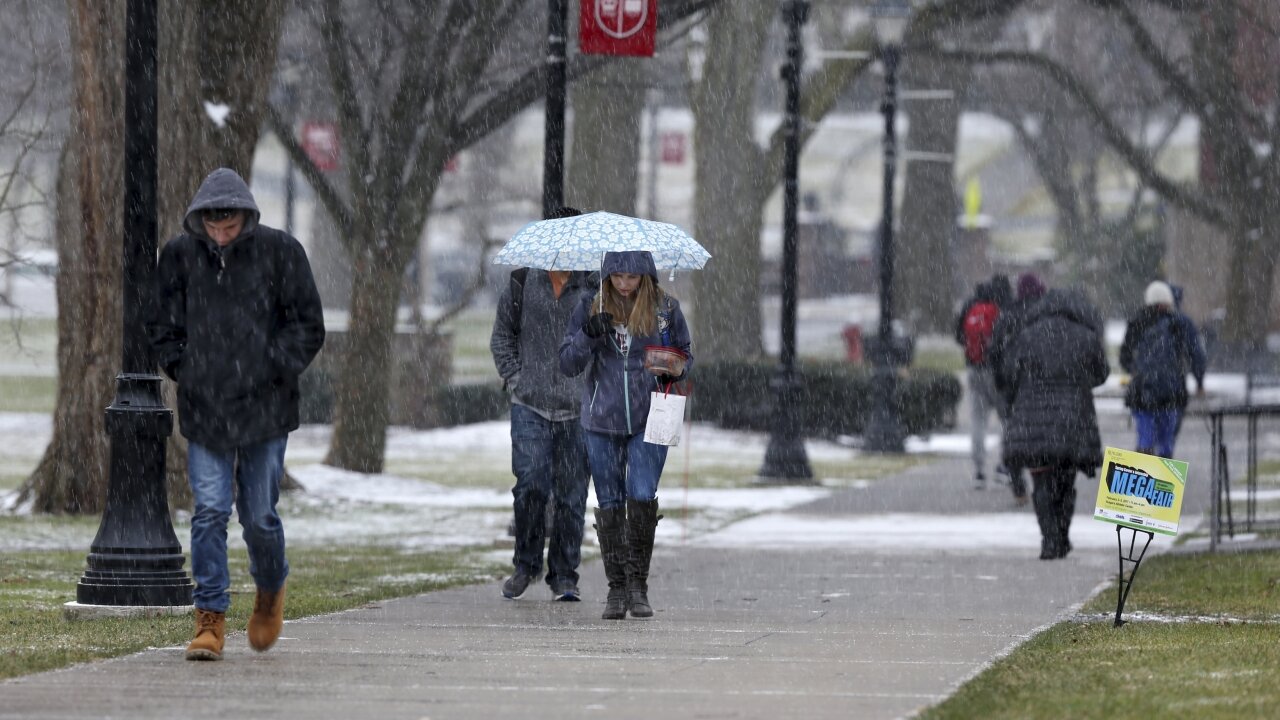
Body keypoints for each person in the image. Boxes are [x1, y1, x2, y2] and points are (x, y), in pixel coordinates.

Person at [149, 168, 325, 661]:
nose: (221, 237)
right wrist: (187, 367)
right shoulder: (180, 257)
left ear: (246, 220)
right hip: (206, 407)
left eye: (230, 228)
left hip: (266, 407)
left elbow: (308, 324)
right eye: (213, 229)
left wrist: (272, 366)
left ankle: (270, 589)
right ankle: (209, 618)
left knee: (259, 515)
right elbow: (161, 323)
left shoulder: (280, 251)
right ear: (200, 222)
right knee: (208, 510)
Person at [559, 250, 692, 620]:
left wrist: (674, 368)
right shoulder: (591, 304)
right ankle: (616, 588)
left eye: (632, 277)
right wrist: (588, 335)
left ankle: (638, 586)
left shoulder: (665, 308)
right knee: (610, 499)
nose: (623, 283)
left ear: (646, 276)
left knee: (641, 493)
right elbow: (568, 362)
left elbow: (686, 354)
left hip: (652, 416)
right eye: (616, 275)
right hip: (601, 419)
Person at [490, 207, 594, 602]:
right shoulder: (520, 282)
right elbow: (501, 338)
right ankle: (526, 565)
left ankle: (564, 575)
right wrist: (518, 379)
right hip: (529, 407)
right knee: (530, 486)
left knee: (571, 496)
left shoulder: (594, 289)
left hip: (577, 410)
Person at [1000, 288, 1109, 560]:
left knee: (1041, 479)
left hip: (1033, 418)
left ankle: (1049, 538)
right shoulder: (1086, 336)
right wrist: (1077, 384)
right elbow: (1101, 374)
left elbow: (1008, 374)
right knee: (1065, 478)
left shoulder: (1026, 336)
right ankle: (1061, 534)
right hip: (1073, 418)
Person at [1119, 280, 1206, 458]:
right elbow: (1196, 354)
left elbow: (1124, 355)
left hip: (1144, 391)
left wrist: (1135, 371)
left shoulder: (1138, 321)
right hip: (1171, 391)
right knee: (1166, 444)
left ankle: (1144, 479)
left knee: (1145, 442)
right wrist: (1199, 381)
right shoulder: (1180, 322)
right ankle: (1163, 480)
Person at [989, 271, 1047, 504]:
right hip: (1039, 385)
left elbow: (994, 352)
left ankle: (1018, 486)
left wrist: (1001, 381)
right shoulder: (1044, 315)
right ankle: (1041, 482)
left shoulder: (1008, 315)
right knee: (1041, 435)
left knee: (1013, 436)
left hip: (1012, 386)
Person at [955, 276, 1012, 490]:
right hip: (997, 372)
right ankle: (1004, 466)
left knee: (978, 422)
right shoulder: (1002, 307)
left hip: (974, 369)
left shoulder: (971, 305)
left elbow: (958, 336)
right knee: (1007, 420)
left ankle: (979, 470)